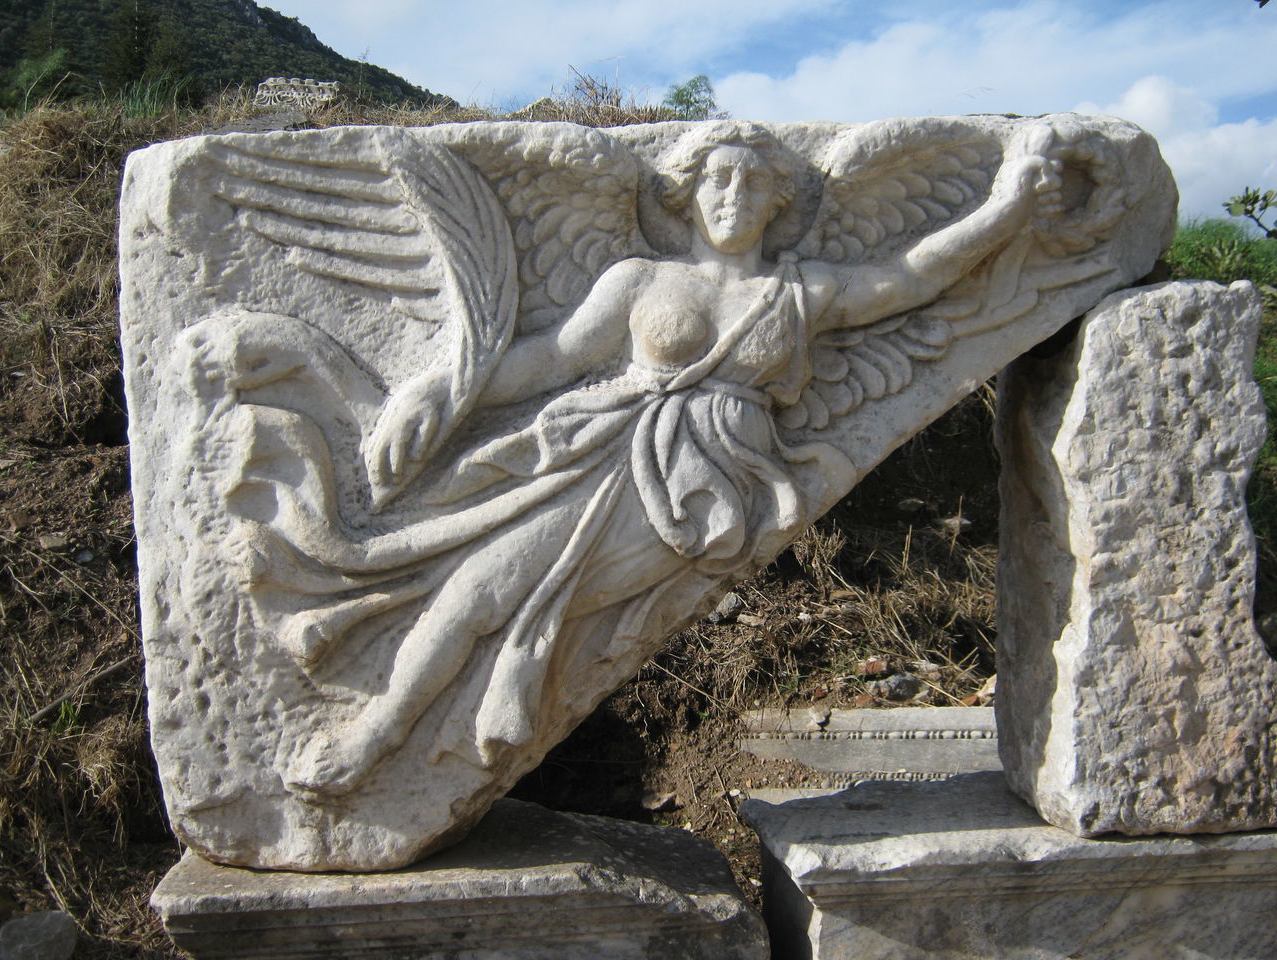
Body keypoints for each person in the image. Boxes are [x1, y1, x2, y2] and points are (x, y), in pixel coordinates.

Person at [256, 121, 1060, 796]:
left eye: (752, 184)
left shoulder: (800, 291)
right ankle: (376, 734)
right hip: (602, 447)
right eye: (717, 181)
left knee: (537, 599)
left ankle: (435, 729)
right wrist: (446, 389)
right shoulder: (640, 276)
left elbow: (914, 275)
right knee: (476, 589)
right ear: (686, 192)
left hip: (712, 485)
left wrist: (1010, 204)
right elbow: (554, 359)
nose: (733, 197)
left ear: (780, 201)